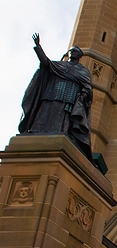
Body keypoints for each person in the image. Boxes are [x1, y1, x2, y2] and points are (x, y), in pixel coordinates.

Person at [19, 34, 94, 162]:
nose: (72, 53)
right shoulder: (59, 65)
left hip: (68, 98)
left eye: (74, 52)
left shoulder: (83, 71)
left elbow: (87, 86)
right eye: (71, 51)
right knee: (45, 113)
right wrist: (38, 46)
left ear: (79, 56)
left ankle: (63, 132)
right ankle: (37, 130)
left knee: (63, 119)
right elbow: (46, 63)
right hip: (52, 93)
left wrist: (84, 94)